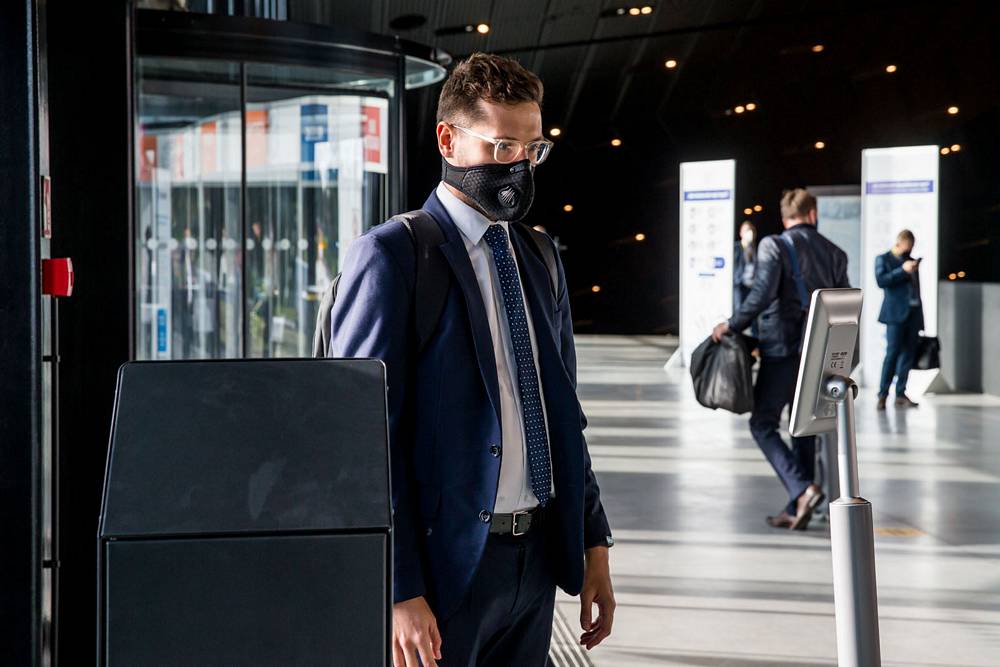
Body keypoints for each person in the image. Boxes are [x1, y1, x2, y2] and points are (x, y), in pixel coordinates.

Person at [330, 53, 615, 667]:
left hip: (536, 562)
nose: (518, 165)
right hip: (444, 573)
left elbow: (563, 414)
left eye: (533, 149)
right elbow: (358, 440)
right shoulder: (394, 256)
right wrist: (397, 586)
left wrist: (593, 540)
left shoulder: (539, 257)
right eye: (502, 146)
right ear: (448, 140)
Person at [712, 188, 849, 530]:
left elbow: (761, 294)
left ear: (785, 217)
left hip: (782, 348)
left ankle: (802, 489)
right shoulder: (835, 253)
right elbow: (844, 306)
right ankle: (796, 505)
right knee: (804, 427)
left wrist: (732, 324)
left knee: (762, 423)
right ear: (812, 214)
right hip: (819, 351)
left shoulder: (774, 245)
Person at [875, 229, 924, 410]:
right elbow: (881, 281)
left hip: (913, 313)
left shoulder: (910, 260)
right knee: (892, 354)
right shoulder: (883, 259)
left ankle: (901, 393)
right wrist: (902, 271)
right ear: (900, 242)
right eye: (908, 245)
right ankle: (883, 394)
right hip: (895, 315)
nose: (909, 249)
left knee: (908, 355)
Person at [733, 221, 757, 312]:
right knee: (739, 310)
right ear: (741, 233)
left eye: (751, 230)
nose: (749, 233)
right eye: (746, 230)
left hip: (751, 287)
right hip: (738, 286)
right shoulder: (735, 248)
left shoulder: (754, 249)